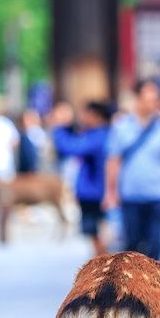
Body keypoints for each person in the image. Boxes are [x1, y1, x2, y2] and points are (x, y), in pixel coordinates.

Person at [104, 78, 160, 262]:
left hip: (157, 194)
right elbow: (113, 161)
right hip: (130, 195)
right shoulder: (122, 127)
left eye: (155, 99)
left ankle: (153, 289)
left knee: (155, 248)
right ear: (137, 98)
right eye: (148, 98)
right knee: (130, 249)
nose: (152, 103)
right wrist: (110, 192)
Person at [52, 100, 113, 255]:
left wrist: (59, 127)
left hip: (95, 193)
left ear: (97, 116)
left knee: (96, 231)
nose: (82, 117)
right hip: (96, 191)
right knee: (95, 231)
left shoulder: (98, 136)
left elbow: (70, 147)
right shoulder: (103, 134)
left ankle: (105, 265)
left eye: (86, 114)